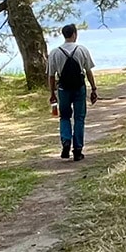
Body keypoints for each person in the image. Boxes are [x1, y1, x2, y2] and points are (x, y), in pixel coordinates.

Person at [47, 23, 98, 160]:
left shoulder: (55, 52)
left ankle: (66, 140)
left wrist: (52, 93)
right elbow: (88, 72)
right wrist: (93, 89)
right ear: (74, 34)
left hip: (63, 89)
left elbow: (51, 76)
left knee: (64, 116)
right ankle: (78, 149)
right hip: (79, 88)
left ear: (64, 35)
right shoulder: (82, 50)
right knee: (79, 118)